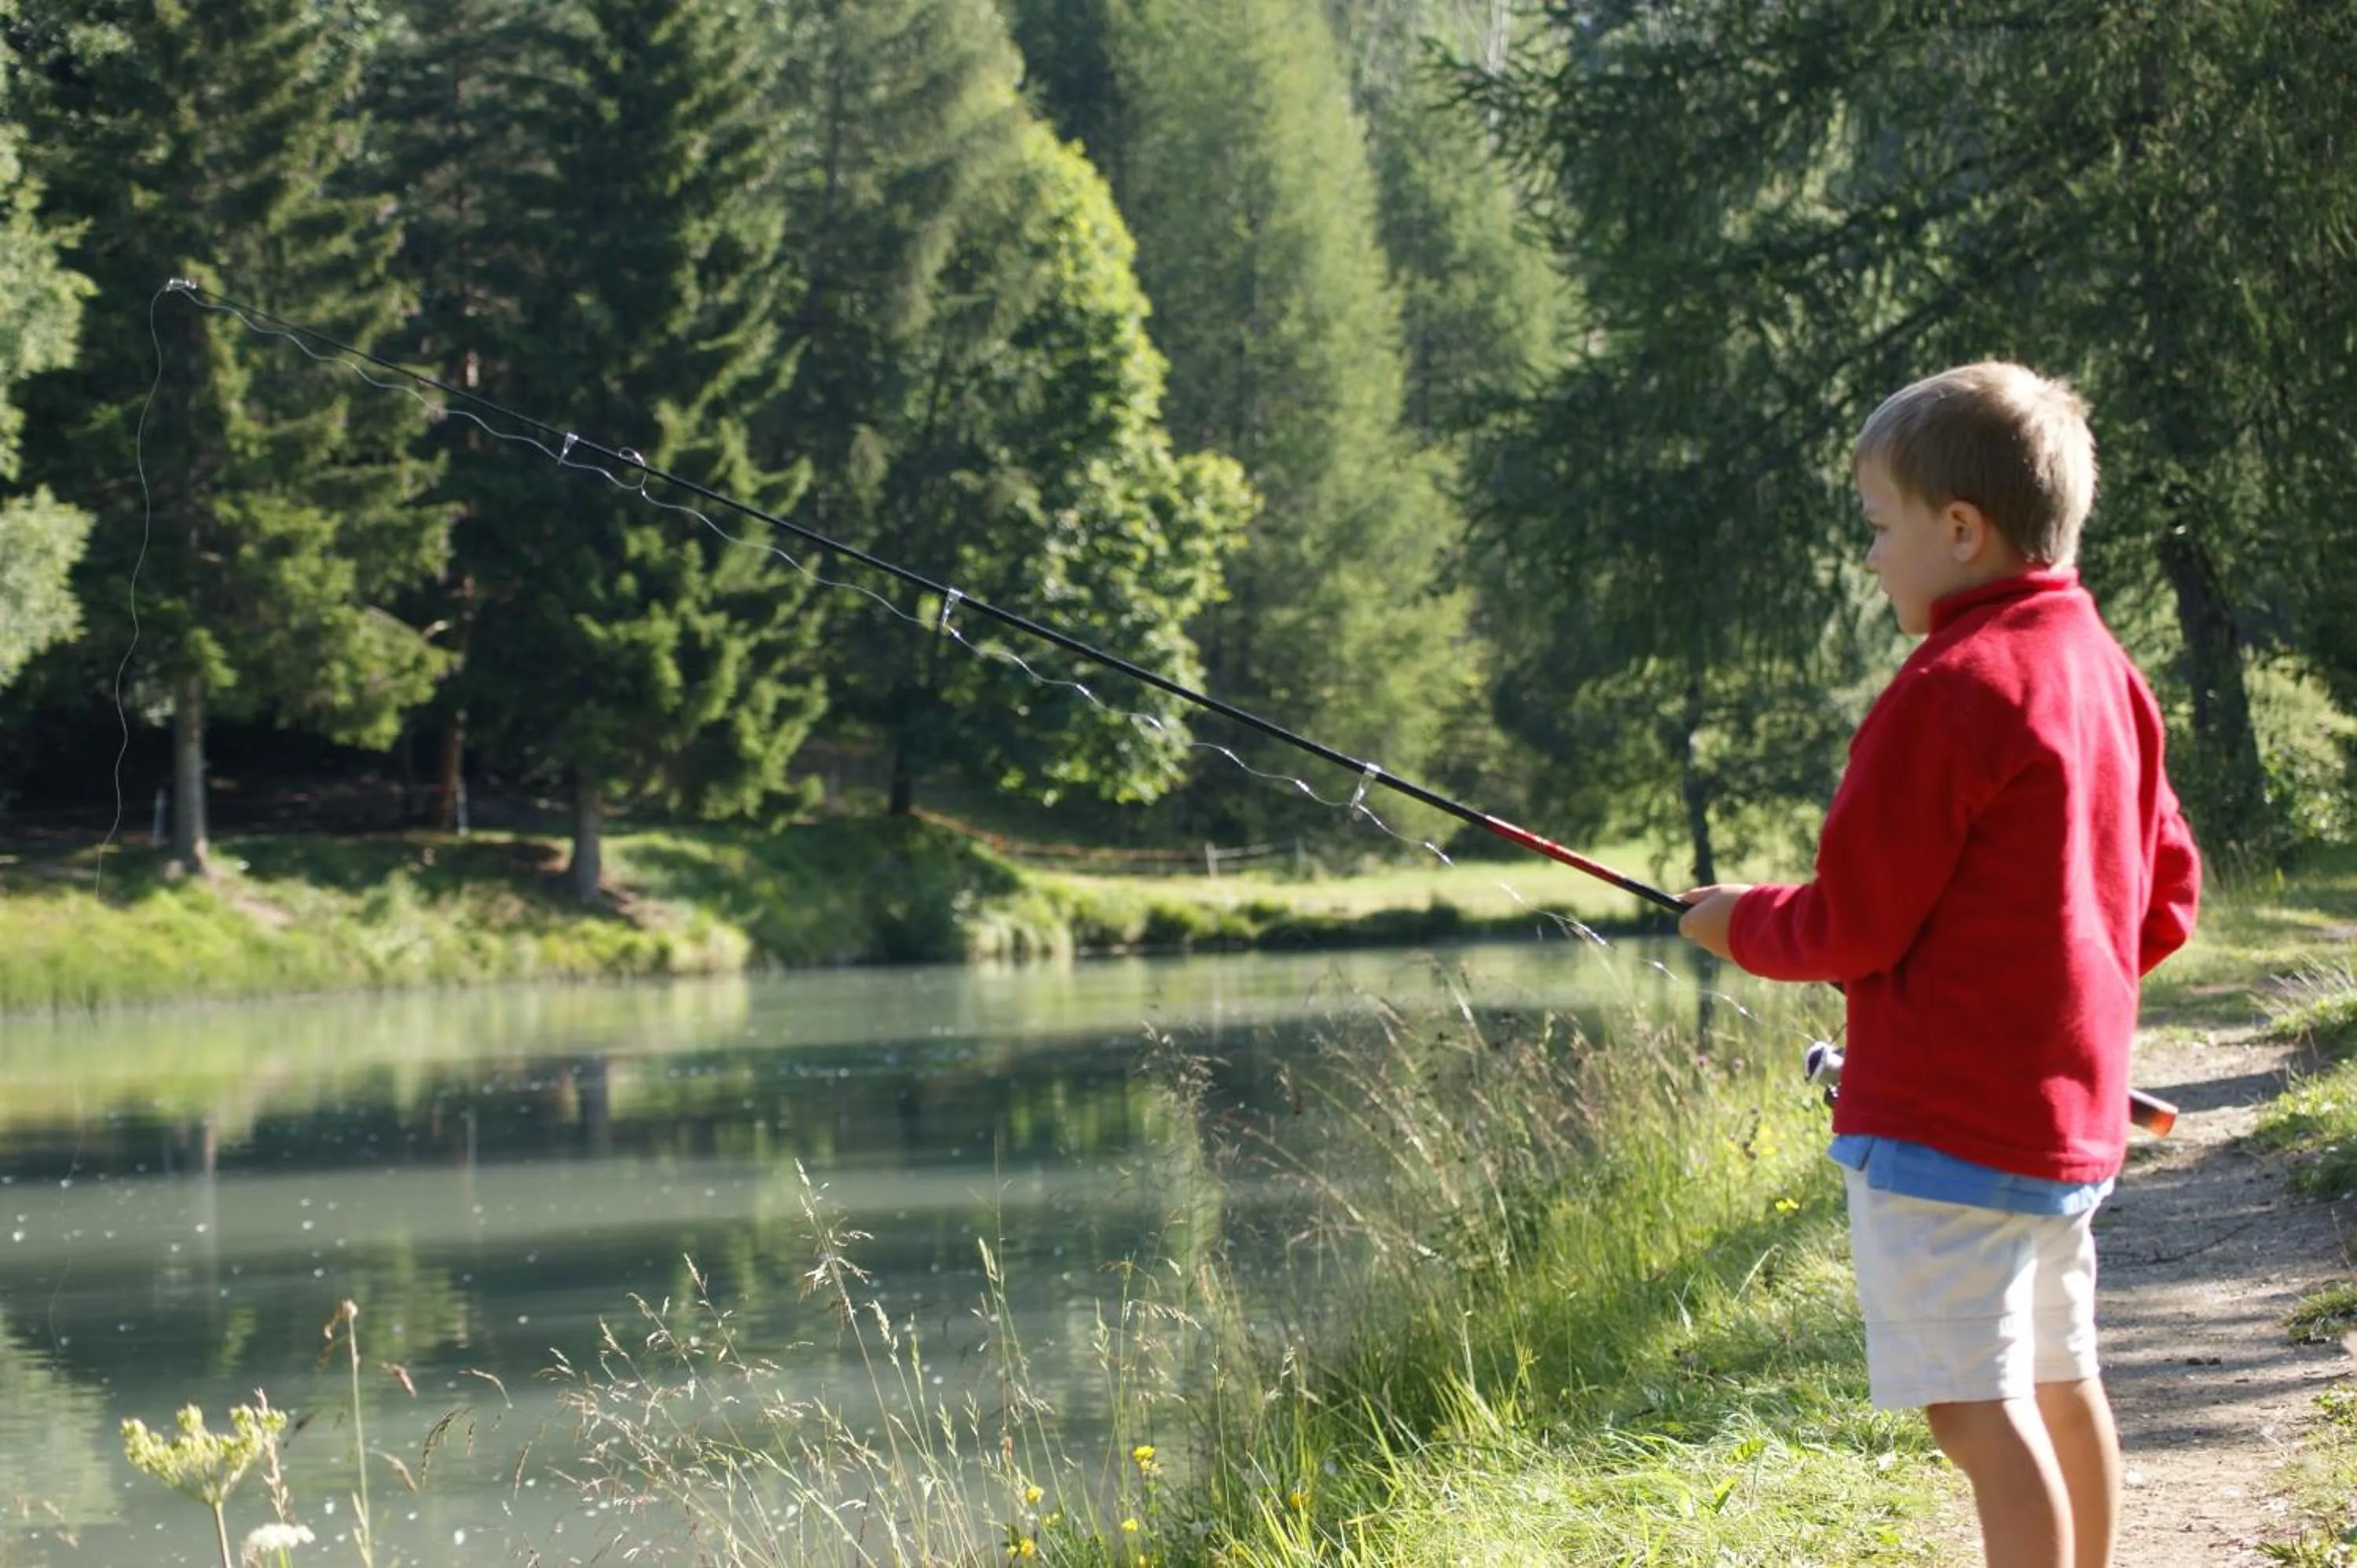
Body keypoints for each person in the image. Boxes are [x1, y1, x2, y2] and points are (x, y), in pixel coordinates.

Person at [1677, 361, 2201, 1568]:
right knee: (2063, 1375)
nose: (1871, 559)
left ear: (1961, 530)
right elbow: (2165, 895)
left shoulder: (1949, 690)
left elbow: (1855, 924)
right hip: (2064, 1122)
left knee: (1974, 1411)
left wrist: (1739, 923)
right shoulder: (2104, 669)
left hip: (1943, 1135)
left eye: (1879, 528)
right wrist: (2059, 995)